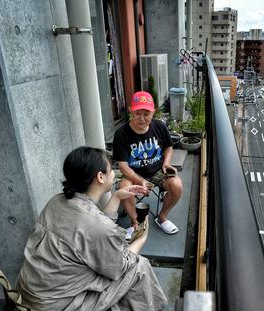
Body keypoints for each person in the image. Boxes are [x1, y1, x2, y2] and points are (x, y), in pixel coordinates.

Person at [16, 146, 167, 311]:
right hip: (59, 305)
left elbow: (92, 231)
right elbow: (118, 268)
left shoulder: (57, 201)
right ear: (100, 177)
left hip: (31, 294)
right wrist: (141, 239)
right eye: (111, 170)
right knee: (139, 266)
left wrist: (117, 196)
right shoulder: (97, 226)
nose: (114, 173)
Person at [113, 91, 183, 235]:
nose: (142, 118)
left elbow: (168, 147)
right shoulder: (121, 133)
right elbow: (123, 165)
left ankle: (162, 218)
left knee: (177, 185)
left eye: (146, 114)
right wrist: (139, 180)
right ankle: (135, 223)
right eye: (138, 113)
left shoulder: (159, 126)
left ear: (153, 113)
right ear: (131, 110)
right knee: (124, 187)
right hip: (134, 173)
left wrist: (166, 163)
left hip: (157, 170)